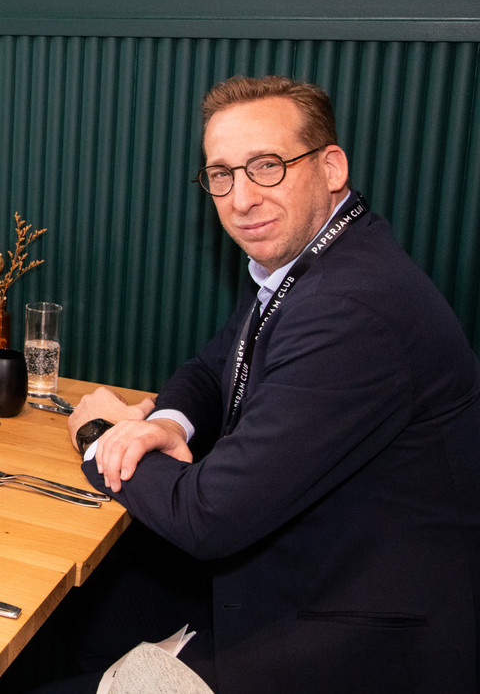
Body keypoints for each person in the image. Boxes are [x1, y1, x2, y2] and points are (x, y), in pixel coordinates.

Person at [62, 76, 480, 693]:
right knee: (81, 626)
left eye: (267, 167)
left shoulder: (351, 307)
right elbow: (210, 368)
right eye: (221, 174)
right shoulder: (311, 261)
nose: (240, 198)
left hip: (357, 634)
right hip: (295, 565)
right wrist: (160, 424)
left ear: (331, 167)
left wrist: (100, 435)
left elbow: (208, 516)